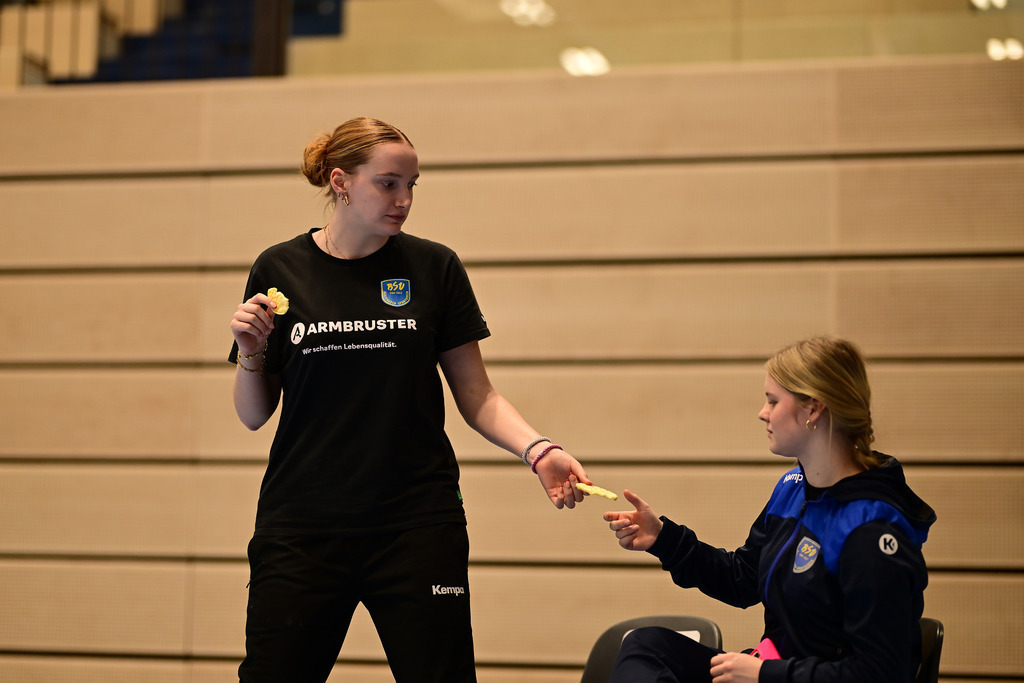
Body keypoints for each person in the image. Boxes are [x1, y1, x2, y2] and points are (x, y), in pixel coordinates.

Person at [228, 116, 591, 683]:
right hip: (302, 526)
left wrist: (539, 450)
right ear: (341, 181)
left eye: (412, 184)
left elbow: (477, 394)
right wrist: (250, 350)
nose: (404, 199)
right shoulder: (279, 268)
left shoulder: (433, 266)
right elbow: (253, 415)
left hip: (416, 525)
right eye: (388, 183)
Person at [603, 336, 936, 683]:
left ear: (814, 409)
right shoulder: (793, 488)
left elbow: (881, 674)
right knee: (647, 646)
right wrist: (663, 538)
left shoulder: (872, 529)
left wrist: (767, 674)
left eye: (773, 401)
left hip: (783, 674)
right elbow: (744, 580)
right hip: (771, 667)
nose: (762, 413)